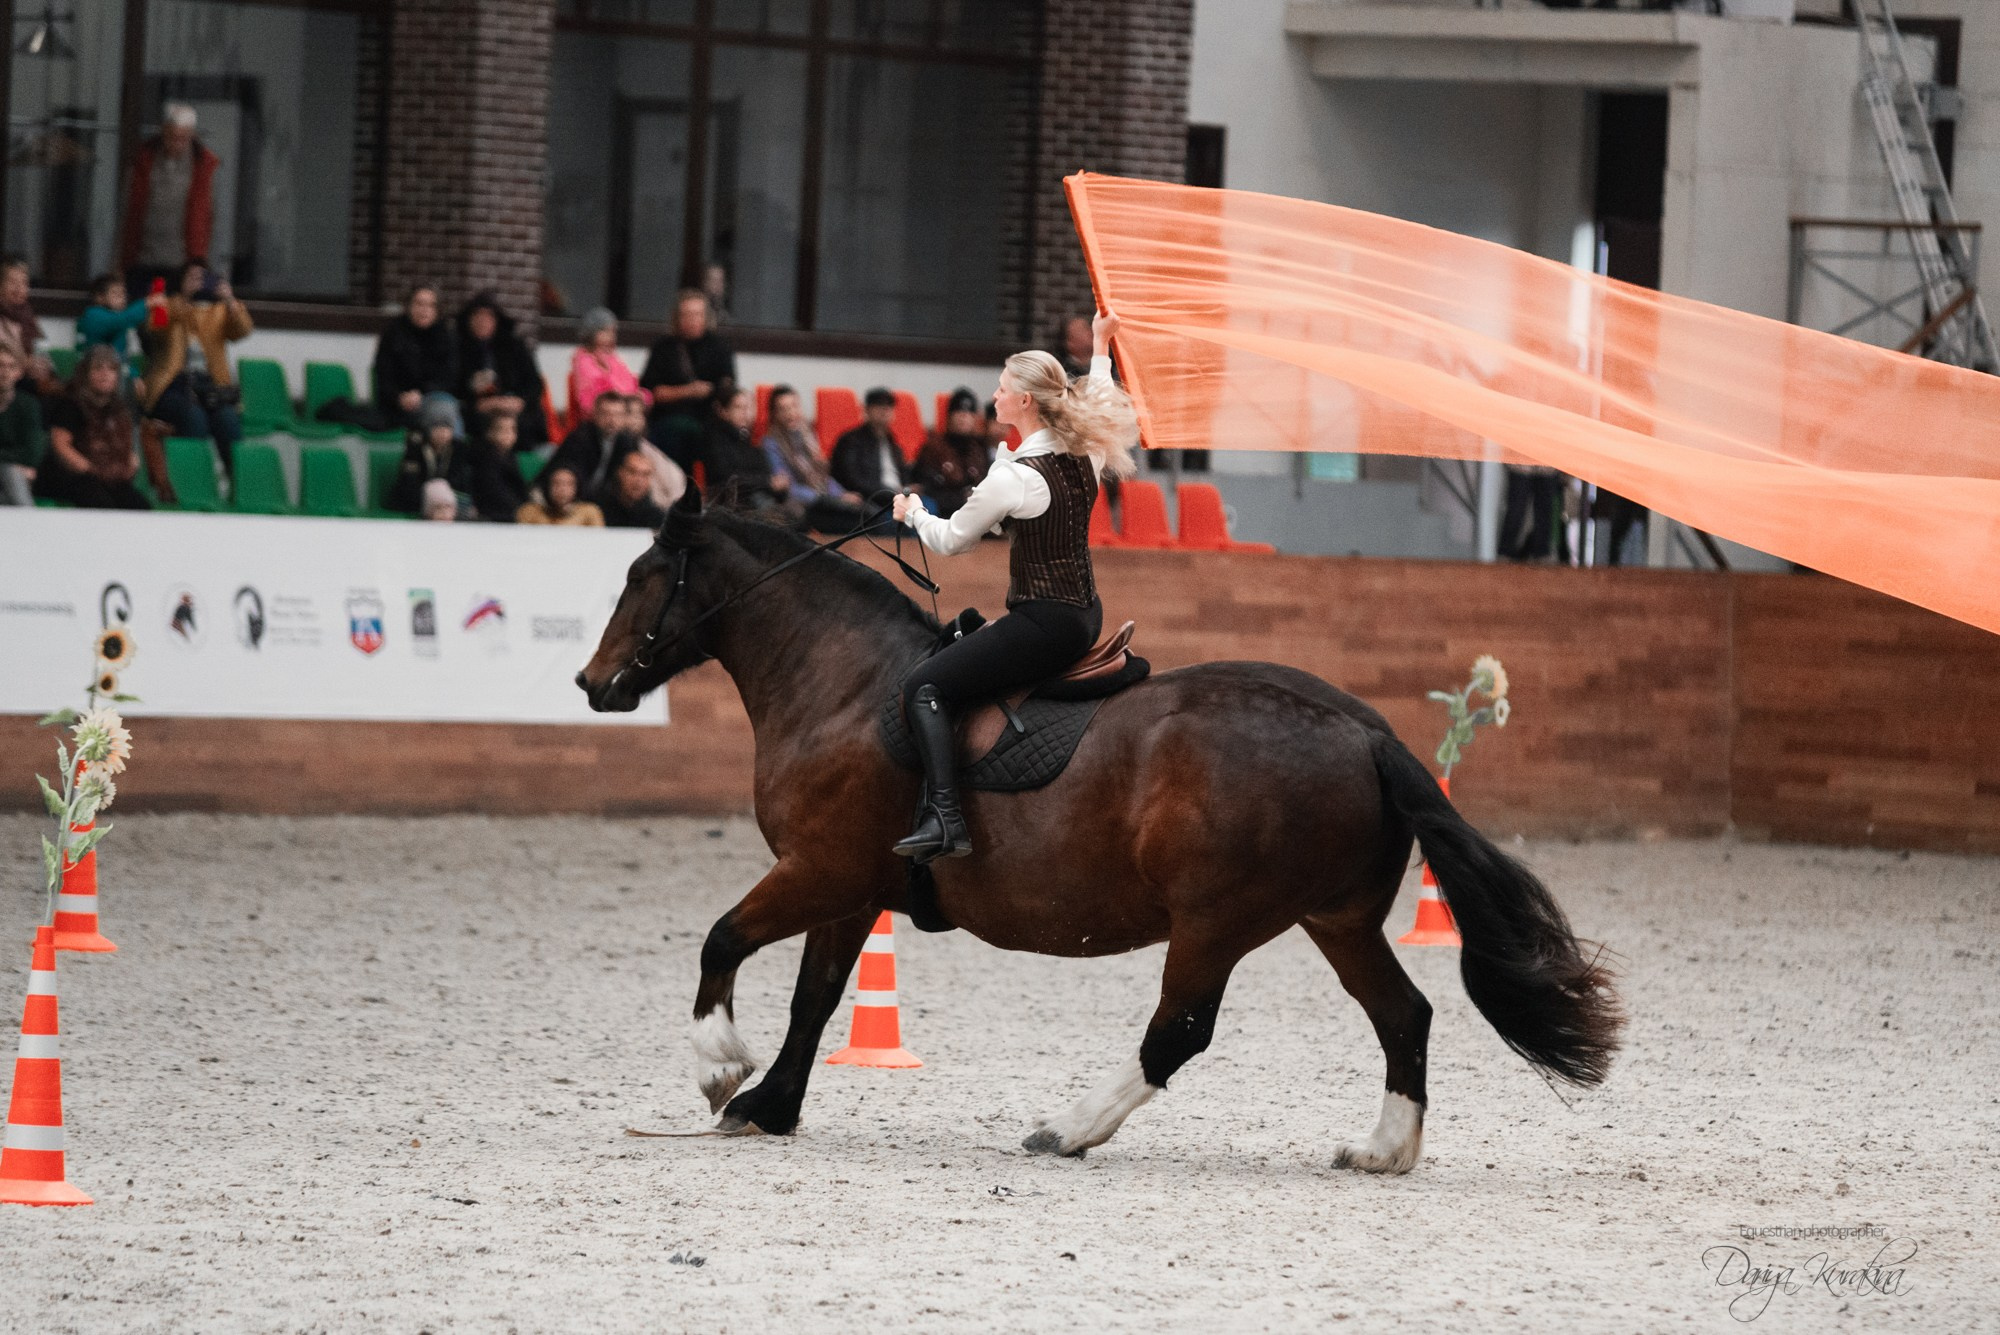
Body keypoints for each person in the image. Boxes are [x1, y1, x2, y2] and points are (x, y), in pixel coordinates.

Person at [888, 311, 1134, 862]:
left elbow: (952, 542)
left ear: (1025, 401)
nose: (993, 398)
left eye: (1001, 390)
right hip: (1084, 613)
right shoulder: (1084, 449)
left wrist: (913, 514)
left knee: (923, 687)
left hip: (1043, 623)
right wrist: (1101, 344)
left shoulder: (1013, 477)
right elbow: (1096, 393)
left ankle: (946, 818)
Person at [139, 258, 252, 473]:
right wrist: (184, 298)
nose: (198, 283)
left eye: (203, 278)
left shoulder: (218, 311)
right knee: (194, 416)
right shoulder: (167, 304)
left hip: (210, 388)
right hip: (172, 386)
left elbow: (243, 331)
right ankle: (192, 481)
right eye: (191, 278)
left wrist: (230, 300)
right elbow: (156, 326)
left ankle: (239, 482)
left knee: (228, 419)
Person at [119, 103, 219, 295]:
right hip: (143, 259)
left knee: (175, 319)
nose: (176, 144)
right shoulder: (144, 159)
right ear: (163, 131)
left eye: (183, 139)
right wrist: (119, 263)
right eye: (172, 137)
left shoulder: (204, 165)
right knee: (147, 317)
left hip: (184, 263)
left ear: (192, 135)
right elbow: (127, 213)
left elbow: (213, 217)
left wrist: (204, 264)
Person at [34, 344, 150, 510]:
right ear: (85, 374)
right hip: (73, 476)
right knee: (101, 503)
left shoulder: (119, 409)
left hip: (108, 477)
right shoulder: (71, 403)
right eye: (97, 368)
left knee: (140, 507)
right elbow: (60, 445)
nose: (105, 374)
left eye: (111, 369)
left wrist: (129, 461)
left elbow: (127, 446)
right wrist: (91, 469)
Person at [640, 289, 736, 469]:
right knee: (680, 432)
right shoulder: (664, 347)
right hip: (670, 418)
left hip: (710, 418)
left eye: (697, 314)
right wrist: (689, 391)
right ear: (677, 318)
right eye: (687, 315)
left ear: (706, 317)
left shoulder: (720, 346)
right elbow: (652, 391)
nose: (692, 320)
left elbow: (728, 387)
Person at [763, 384, 865, 534]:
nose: (791, 413)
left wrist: (841, 493)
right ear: (775, 414)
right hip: (805, 505)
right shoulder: (771, 444)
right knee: (860, 520)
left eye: (794, 406)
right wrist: (822, 498)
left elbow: (823, 477)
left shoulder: (807, 435)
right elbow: (788, 486)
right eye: (783, 409)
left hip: (823, 497)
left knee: (866, 511)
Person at [454, 291, 548, 449]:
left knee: (527, 426)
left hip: (513, 407)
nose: (483, 321)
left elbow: (534, 383)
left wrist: (520, 401)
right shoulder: (458, 347)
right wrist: (477, 403)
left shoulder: (514, 347)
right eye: (477, 316)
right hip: (476, 410)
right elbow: (453, 385)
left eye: (488, 316)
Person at [372, 284, 456, 430]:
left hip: (433, 399)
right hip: (396, 404)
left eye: (431, 305)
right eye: (419, 304)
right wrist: (400, 397)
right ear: (409, 306)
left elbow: (448, 377)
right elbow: (383, 375)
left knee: (442, 412)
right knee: (443, 417)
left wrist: (422, 393)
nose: (424, 310)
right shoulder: (393, 335)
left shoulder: (445, 337)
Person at [912, 387, 994, 518]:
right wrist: (962, 498)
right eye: (958, 412)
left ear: (975, 419)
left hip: (977, 511)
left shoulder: (980, 449)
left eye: (968, 414)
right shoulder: (932, 448)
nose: (963, 418)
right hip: (943, 512)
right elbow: (925, 487)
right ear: (949, 417)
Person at [698, 385, 784, 509]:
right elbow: (727, 478)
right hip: (728, 503)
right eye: (738, 407)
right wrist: (766, 482)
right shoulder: (714, 440)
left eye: (748, 407)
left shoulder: (747, 437)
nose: (746, 413)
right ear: (723, 411)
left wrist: (776, 483)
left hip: (755, 497)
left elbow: (764, 470)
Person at [386, 392, 466, 516]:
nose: (443, 433)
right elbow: (409, 482)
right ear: (428, 428)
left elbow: (459, 479)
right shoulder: (415, 446)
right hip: (415, 503)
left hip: (447, 504)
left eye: (447, 428)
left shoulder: (457, 448)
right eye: (437, 427)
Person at [542, 389, 631, 500]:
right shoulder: (580, 439)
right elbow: (574, 480)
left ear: (624, 418)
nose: (612, 420)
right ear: (595, 415)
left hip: (603, 501)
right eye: (606, 414)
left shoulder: (626, 442)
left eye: (617, 415)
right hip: (568, 498)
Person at [830, 387, 912, 504]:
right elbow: (851, 479)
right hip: (871, 498)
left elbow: (904, 475)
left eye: (889, 405)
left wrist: (907, 489)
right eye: (879, 405)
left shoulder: (892, 442)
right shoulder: (851, 441)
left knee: (926, 506)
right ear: (866, 410)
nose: (885, 409)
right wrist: (889, 492)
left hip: (897, 496)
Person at [570, 307, 646, 431]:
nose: (610, 336)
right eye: (605, 331)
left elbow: (629, 385)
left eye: (612, 332)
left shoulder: (613, 359)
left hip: (623, 413)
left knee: (638, 420)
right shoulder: (584, 360)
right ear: (591, 334)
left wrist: (638, 398)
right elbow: (589, 401)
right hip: (599, 420)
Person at [460, 409, 531, 522]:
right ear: (490, 432)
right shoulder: (484, 458)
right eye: (502, 430)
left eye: (512, 430)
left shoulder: (511, 457)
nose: (508, 435)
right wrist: (520, 508)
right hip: (491, 514)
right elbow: (494, 490)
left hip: (510, 511)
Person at [0, 346, 47, 506]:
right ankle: (30, 525)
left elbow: (32, 452)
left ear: (19, 372)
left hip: (15, 478)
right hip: (17, 473)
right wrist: (13, 463)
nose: (4, 372)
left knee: (12, 475)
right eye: (0, 365)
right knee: (12, 472)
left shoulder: (28, 404)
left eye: (10, 366)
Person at [76, 274, 164, 359]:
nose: (122, 298)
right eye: (116, 294)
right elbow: (119, 320)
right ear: (100, 297)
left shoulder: (121, 316)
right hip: (94, 368)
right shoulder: (92, 314)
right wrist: (147, 303)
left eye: (123, 293)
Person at [0, 256, 52, 390]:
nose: (19, 288)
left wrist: (42, 364)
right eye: (12, 282)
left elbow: (40, 349)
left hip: (25, 380)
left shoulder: (27, 315)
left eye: (24, 283)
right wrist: (28, 364)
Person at [596, 446, 669, 529]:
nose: (638, 480)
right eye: (632, 472)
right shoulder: (597, 509)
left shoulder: (657, 518)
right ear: (620, 472)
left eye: (645, 474)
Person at [516, 465, 604, 526]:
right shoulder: (530, 512)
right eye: (556, 483)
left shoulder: (589, 513)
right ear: (547, 486)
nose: (562, 489)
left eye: (568, 484)